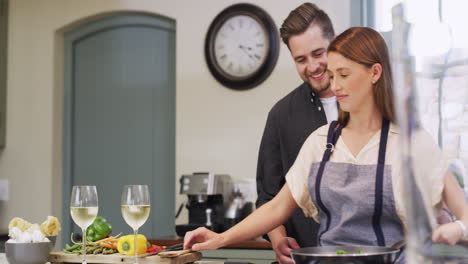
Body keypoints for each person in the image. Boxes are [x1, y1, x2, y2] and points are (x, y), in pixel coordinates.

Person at [184, 27, 468, 264]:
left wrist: (456, 228)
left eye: (344, 75)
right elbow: (276, 208)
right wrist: (219, 238)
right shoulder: (321, 141)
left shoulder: (411, 143)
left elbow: (463, 215)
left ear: (375, 72)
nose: (335, 85)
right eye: (332, 76)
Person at [256, 3, 337, 263]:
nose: (312, 66)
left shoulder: (366, 103)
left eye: (318, 53)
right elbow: (268, 197)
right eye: (301, 60)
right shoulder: (280, 116)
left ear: (334, 44)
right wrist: (278, 238)